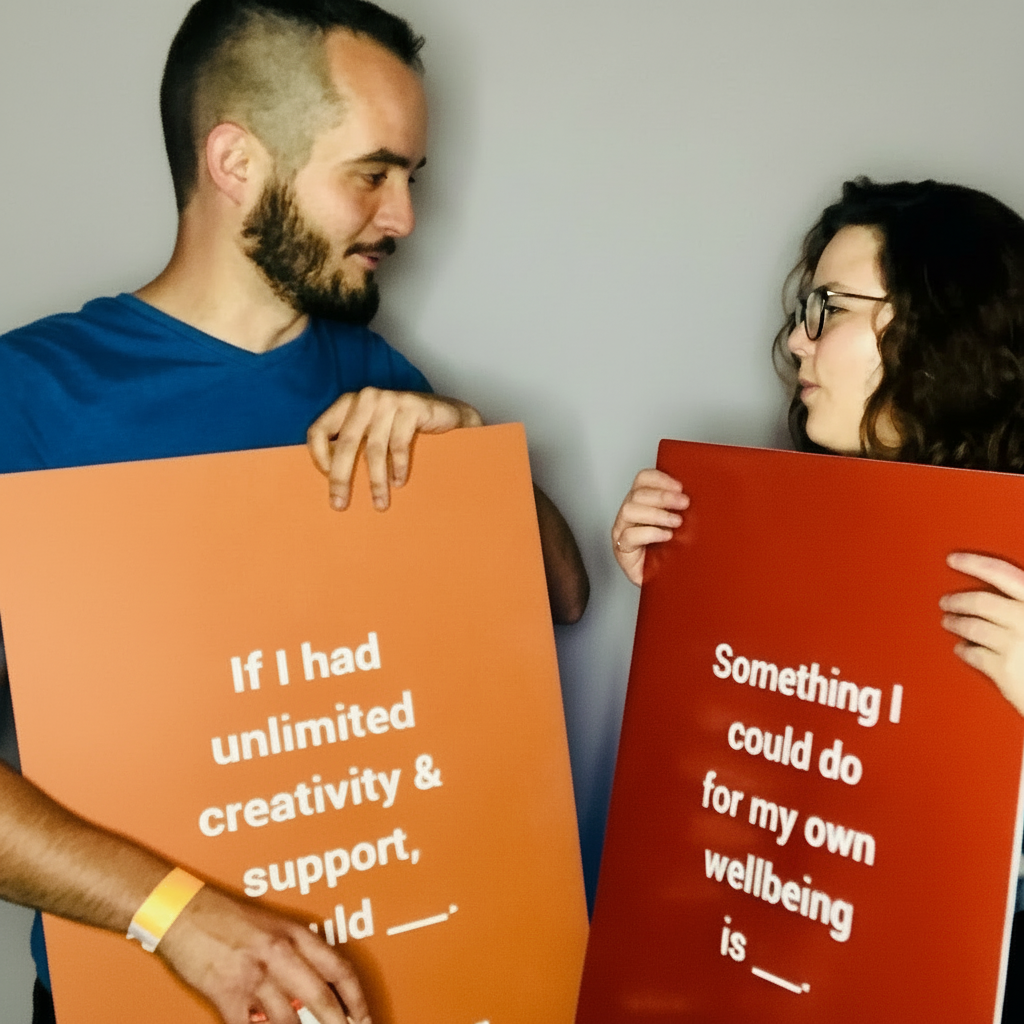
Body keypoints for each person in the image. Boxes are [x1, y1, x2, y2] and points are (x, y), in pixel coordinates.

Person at [0, 2, 588, 1023]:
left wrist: (470, 457)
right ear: (235, 162)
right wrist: (177, 915)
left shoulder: (371, 369)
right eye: (371, 173)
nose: (403, 217)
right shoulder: (30, 394)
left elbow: (562, 595)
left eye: (412, 179)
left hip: (407, 980)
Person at [610, 176, 1024, 1019]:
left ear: (937, 328)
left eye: (830, 307)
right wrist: (680, 598)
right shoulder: (793, 527)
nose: (798, 343)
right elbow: (752, 782)